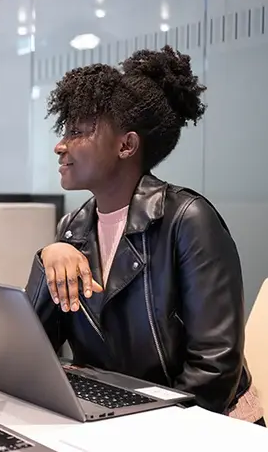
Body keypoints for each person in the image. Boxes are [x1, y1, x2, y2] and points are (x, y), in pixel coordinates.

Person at [26, 45, 264, 425]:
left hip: (205, 426)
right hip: (123, 416)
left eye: (77, 131)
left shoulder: (188, 219)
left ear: (126, 145)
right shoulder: (72, 229)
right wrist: (46, 259)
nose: (60, 145)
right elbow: (32, 355)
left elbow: (214, 371)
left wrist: (141, 428)